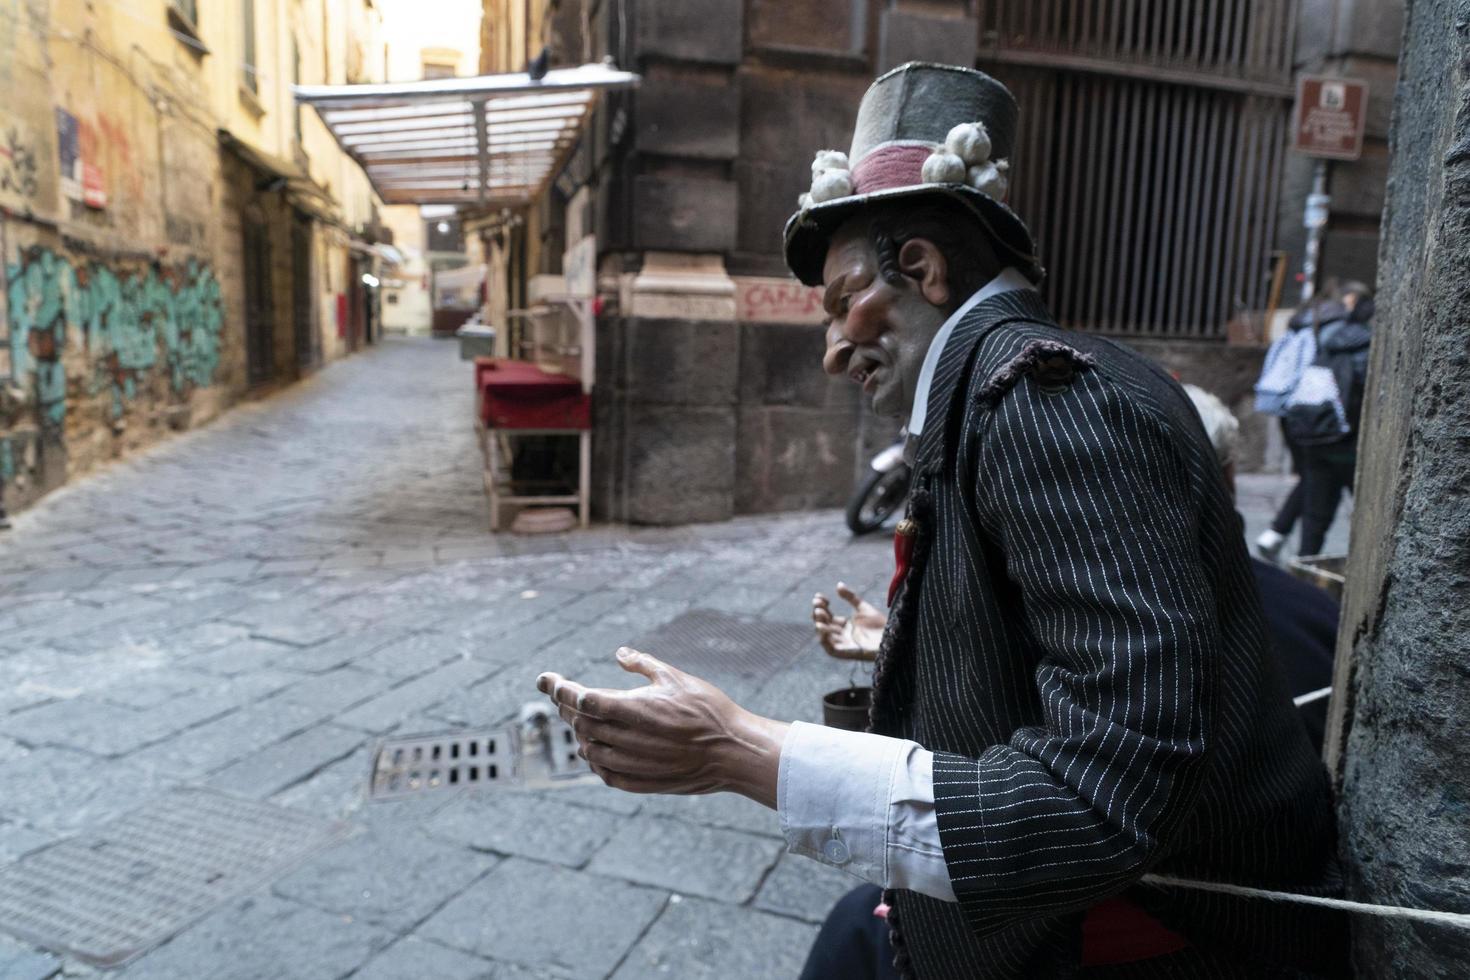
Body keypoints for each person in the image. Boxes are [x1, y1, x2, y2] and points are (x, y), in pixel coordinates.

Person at [537, 63, 1344, 977]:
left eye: (843, 303)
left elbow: (1107, 794)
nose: (835, 349)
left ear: (921, 268)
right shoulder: (989, 402)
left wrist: (743, 752)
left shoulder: (1046, 403)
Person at [1283, 282, 1374, 557]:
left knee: (1314, 517)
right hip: (1350, 447)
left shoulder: (1327, 342)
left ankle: (1304, 572)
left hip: (1317, 438)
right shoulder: (1369, 346)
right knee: (1368, 515)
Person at [1252, 299, 1335, 560]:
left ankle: (1277, 534)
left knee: (1311, 476)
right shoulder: (1316, 335)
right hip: (1307, 414)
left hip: (1285, 411)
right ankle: (1288, 540)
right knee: (1315, 477)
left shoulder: (1293, 332)